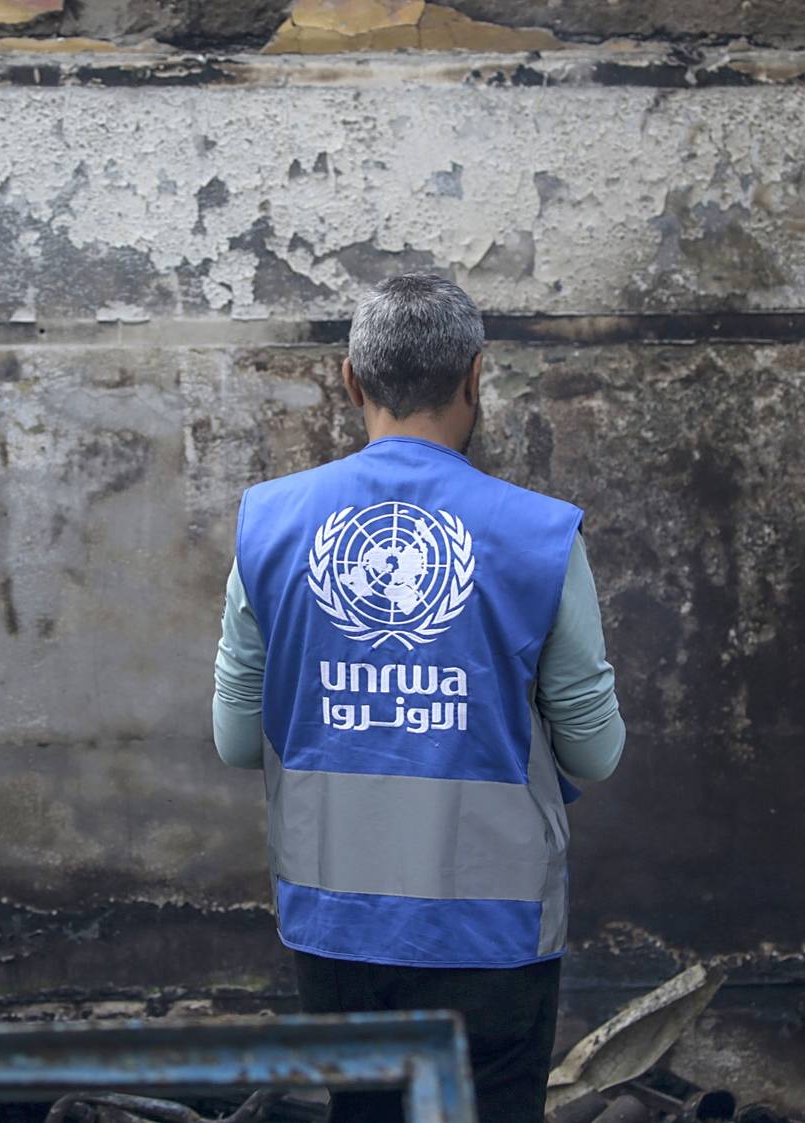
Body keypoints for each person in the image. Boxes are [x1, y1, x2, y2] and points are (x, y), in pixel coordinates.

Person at [211, 273, 626, 1123]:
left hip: (334, 923)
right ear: (476, 377)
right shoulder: (542, 535)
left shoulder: (269, 521)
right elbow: (596, 752)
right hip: (494, 926)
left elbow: (236, 738)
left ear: (351, 380)